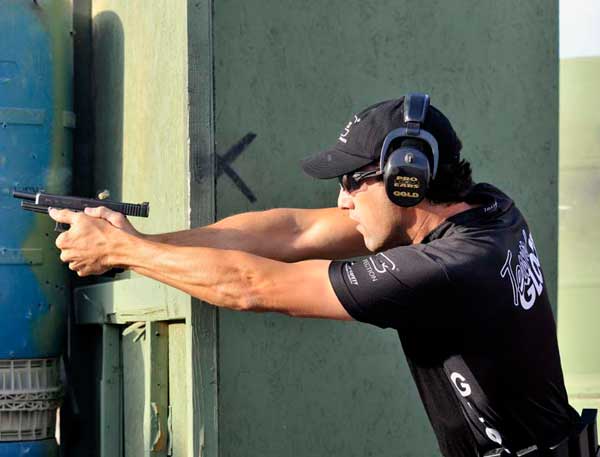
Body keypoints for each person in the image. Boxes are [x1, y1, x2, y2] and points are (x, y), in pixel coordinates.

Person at [49, 93, 580, 457]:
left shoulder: (447, 270)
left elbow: (252, 286)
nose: (341, 199)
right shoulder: (485, 210)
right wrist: (132, 243)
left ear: (407, 180)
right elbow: (293, 233)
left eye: (353, 181)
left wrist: (124, 251)